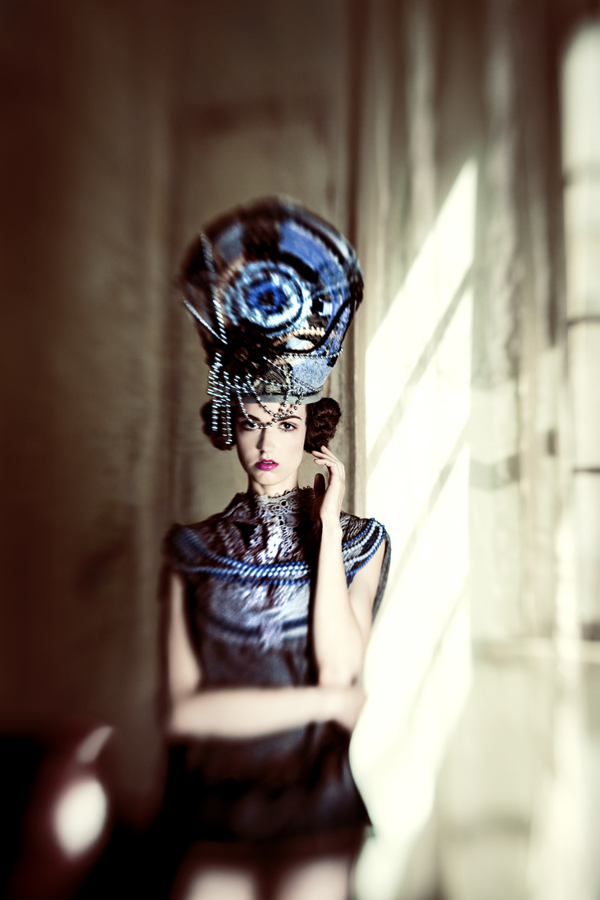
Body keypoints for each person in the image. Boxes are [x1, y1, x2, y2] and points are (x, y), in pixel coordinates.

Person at [162, 198, 390, 900]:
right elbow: (182, 714)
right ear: (231, 427)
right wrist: (321, 706)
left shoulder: (361, 542)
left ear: (310, 430)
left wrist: (329, 529)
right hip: (211, 808)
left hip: (319, 805)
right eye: (251, 422)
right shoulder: (192, 550)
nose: (267, 442)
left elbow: (341, 667)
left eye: (286, 423)